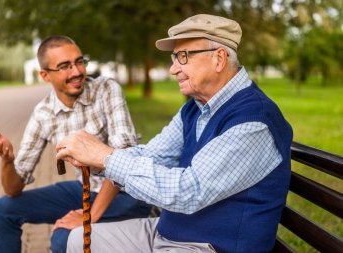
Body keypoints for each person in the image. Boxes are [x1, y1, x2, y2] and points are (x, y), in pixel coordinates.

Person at [57, 14, 293, 253]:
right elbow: (154, 155)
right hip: (168, 231)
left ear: (219, 58)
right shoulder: (195, 108)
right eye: (174, 58)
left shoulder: (254, 122)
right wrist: (98, 162)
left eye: (183, 57)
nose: (173, 69)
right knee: (77, 239)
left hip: (211, 246)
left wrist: (106, 157)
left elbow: (188, 191)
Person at [0, 35, 152, 253]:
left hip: (129, 195)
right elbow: (13, 189)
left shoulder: (106, 90)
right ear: (45, 75)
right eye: (64, 66)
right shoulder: (43, 114)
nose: (76, 72)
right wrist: (7, 161)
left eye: (79, 62)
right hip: (86, 191)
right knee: (3, 209)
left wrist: (88, 216)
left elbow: (124, 159)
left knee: (64, 238)